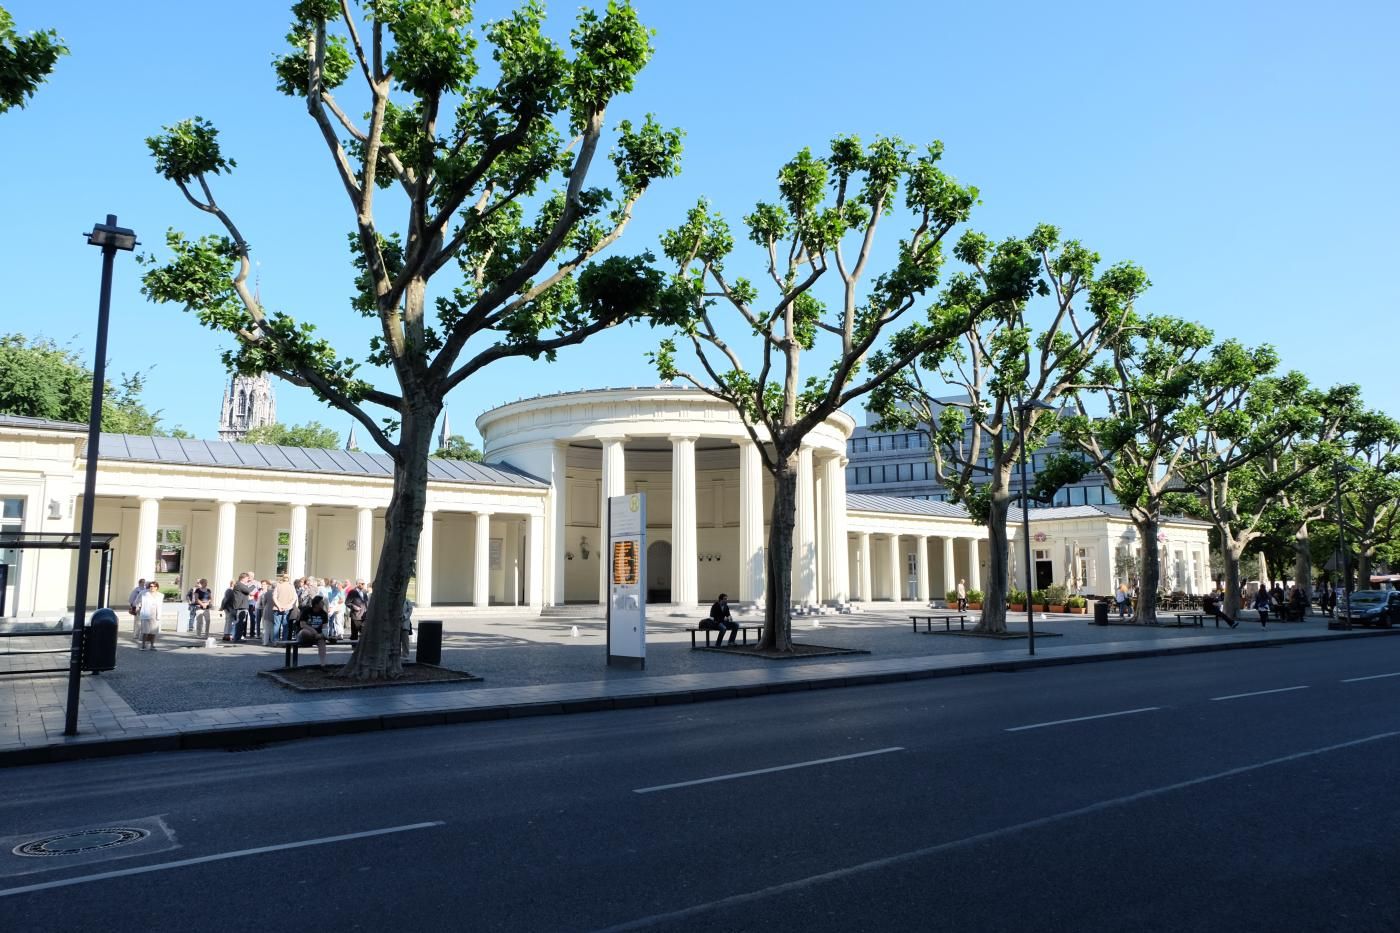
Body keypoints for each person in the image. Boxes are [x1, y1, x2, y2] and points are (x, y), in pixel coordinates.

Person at [297, 594, 331, 668]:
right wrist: (314, 632)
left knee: (321, 640)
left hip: (318, 636)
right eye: (321, 602)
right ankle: (318, 636)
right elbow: (302, 624)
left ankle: (323, 664)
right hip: (305, 635)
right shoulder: (307, 611)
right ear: (316, 604)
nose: (323, 604)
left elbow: (324, 627)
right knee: (305, 632)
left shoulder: (324, 614)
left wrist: (325, 634)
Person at [136, 580, 165, 650]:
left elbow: (160, 605)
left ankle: (152, 645)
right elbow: (138, 601)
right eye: (151, 586)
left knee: (153, 631)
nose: (152, 587)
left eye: (154, 586)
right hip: (146, 613)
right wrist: (138, 609)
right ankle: (143, 645)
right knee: (145, 631)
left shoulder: (161, 595)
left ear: (157, 587)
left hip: (156, 614)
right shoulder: (144, 593)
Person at [271, 574, 297, 642]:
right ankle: (284, 641)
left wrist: (279, 606)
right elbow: (294, 598)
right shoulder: (291, 586)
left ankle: (275, 641)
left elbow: (274, 597)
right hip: (287, 608)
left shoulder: (278, 585)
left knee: (276, 625)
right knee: (285, 625)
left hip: (277, 608)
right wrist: (288, 606)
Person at [128, 578, 147, 643]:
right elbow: (131, 598)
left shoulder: (145, 590)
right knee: (137, 622)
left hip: (144, 607)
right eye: (142, 582)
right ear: (139, 583)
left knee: (142, 622)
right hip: (137, 607)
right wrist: (132, 605)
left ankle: (140, 635)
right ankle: (135, 635)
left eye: (144, 582)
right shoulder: (136, 590)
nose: (143, 583)